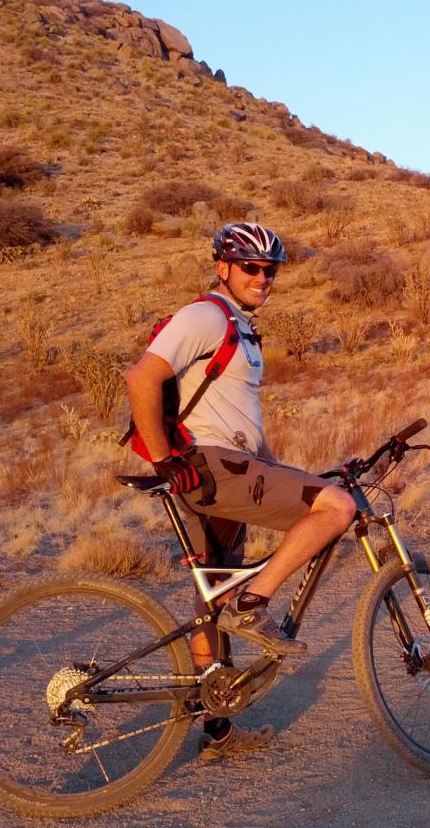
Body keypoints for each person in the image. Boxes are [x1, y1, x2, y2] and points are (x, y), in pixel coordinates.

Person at [124, 222, 356, 761]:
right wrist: (163, 461)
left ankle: (218, 732)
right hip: (212, 469)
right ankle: (255, 603)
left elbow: (241, 421)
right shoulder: (206, 315)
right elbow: (142, 378)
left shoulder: (242, 331)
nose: (263, 277)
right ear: (223, 268)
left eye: (269, 270)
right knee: (337, 507)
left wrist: (287, 472)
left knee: (211, 601)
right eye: (251, 267)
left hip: (234, 467)